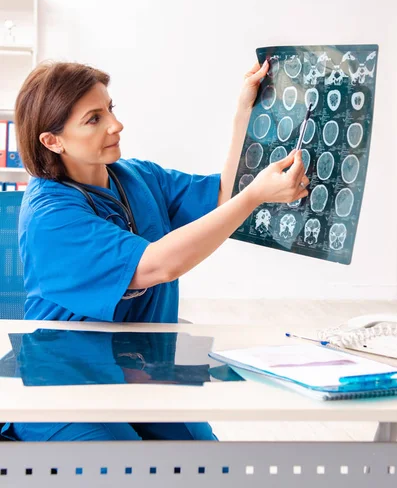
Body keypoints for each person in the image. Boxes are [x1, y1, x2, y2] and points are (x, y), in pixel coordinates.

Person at [1, 60, 309, 442]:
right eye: (94, 119)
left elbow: (221, 196)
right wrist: (254, 198)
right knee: (130, 469)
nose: (116, 125)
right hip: (61, 377)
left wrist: (245, 110)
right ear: (53, 141)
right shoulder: (50, 214)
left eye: (110, 109)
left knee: (205, 463)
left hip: (144, 364)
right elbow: (157, 266)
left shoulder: (136, 176)